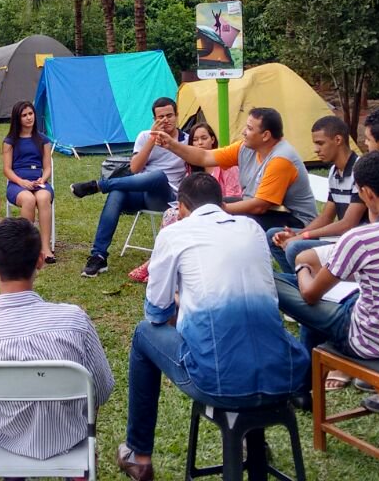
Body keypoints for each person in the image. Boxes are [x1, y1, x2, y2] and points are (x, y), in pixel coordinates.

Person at [116, 173, 309, 481]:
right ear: (222, 204)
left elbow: (156, 313)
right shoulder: (251, 228)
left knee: (143, 334)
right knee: (245, 334)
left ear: (181, 207)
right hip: (284, 374)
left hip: (218, 380)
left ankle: (139, 455)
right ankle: (254, 443)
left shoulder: (174, 234)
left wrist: (182, 301)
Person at [0, 218, 113, 463]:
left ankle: (14, 474)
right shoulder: (75, 321)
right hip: (71, 436)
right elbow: (102, 389)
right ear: (40, 261)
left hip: (6, 442)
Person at [274, 151, 379, 404]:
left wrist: (301, 267)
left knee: (278, 283)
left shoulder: (361, 238)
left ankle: (299, 386)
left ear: (367, 193)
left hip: (373, 341)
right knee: (328, 298)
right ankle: (301, 387)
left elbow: (310, 295)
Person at [69, 98, 189, 279]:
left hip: (167, 197)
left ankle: (99, 185)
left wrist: (171, 143)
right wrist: (152, 140)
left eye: (169, 115)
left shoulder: (187, 140)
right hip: (141, 192)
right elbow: (135, 169)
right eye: (160, 117)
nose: (165, 120)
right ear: (154, 119)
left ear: (177, 115)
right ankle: (98, 256)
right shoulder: (145, 136)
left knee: (159, 176)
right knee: (117, 192)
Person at [151, 107, 316, 233]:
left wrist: (218, 209)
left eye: (249, 128)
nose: (244, 132)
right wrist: (171, 144)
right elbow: (204, 157)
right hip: (264, 210)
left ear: (265, 135)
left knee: (217, 220)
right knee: (203, 207)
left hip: (296, 220)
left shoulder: (281, 159)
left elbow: (259, 206)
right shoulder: (246, 148)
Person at [125, 122, 239, 284]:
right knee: (171, 214)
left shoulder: (226, 167)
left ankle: (154, 264)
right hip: (195, 215)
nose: (200, 143)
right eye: (195, 140)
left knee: (175, 216)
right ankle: (160, 264)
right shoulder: (192, 169)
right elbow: (186, 196)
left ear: (213, 140)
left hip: (220, 214)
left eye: (204, 138)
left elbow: (234, 197)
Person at [267, 115, 368, 272]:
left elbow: (348, 223)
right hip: (340, 237)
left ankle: (301, 281)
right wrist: (299, 233)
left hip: (354, 242)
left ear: (338, 140)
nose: (315, 149)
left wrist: (303, 236)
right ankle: (298, 279)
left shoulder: (359, 170)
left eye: (320, 143)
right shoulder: (334, 171)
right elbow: (326, 217)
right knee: (274, 235)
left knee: (294, 247)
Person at [2, 101, 56, 263]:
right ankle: (27, 247)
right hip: (17, 183)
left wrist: (43, 179)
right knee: (29, 199)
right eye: (24, 115)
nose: (28, 118)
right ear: (17, 119)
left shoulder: (43, 140)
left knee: (43, 198)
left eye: (30, 114)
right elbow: (7, 170)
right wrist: (21, 182)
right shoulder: (10, 141)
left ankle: (45, 247)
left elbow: (47, 167)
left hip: (39, 181)